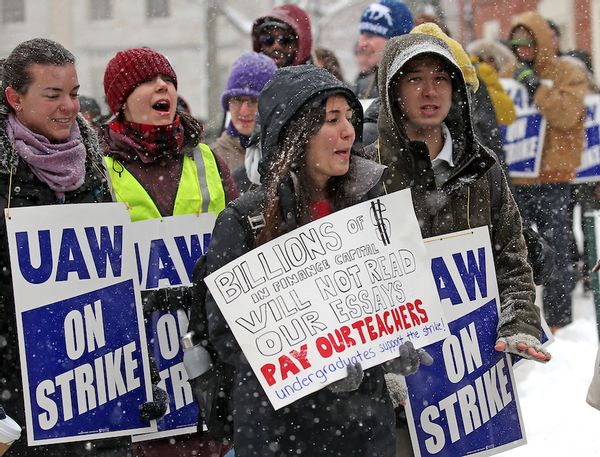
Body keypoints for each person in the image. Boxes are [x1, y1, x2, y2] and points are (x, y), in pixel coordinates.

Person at [202, 65, 430, 456]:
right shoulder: (244, 221)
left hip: (363, 431)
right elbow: (228, 336)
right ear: (296, 135)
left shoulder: (370, 210)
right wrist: (314, 370)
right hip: (282, 435)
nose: (348, 132)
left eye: (349, 119)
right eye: (332, 120)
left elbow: (383, 305)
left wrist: (395, 348)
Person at [375, 30, 551, 456]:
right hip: (397, 393)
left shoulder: (482, 166)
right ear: (392, 90)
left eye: (441, 77)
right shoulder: (366, 171)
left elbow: (511, 257)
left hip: (472, 386)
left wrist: (519, 322)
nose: (430, 90)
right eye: (414, 78)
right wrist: (381, 365)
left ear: (457, 88)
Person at [99, 47, 238, 456]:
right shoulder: (99, 166)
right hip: (139, 361)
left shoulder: (208, 158)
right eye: (147, 81)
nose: (163, 87)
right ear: (120, 100)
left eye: (169, 81)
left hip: (206, 347)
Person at [0, 38, 120, 456]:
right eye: (52, 95)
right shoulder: (5, 176)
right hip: (18, 398)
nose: (69, 106)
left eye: (72, 93)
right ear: (14, 98)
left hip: (95, 392)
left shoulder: (92, 166)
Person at [502, 11, 587, 333]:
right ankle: (520, 318)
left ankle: (559, 321)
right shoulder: (510, 72)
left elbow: (567, 114)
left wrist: (537, 88)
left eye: (528, 42)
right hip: (518, 177)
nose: (522, 49)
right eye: (516, 43)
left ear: (540, 41)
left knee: (557, 251)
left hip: (554, 178)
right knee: (517, 252)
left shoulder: (568, 72)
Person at [211, 52, 276, 191]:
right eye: (237, 100)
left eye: (254, 101)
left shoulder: (285, 154)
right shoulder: (212, 159)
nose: (244, 111)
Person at [354, 0, 414, 100]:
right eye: (362, 35)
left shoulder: (407, 86)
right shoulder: (362, 84)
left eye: (370, 36)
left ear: (395, 40)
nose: (361, 44)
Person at [251, 4, 312, 68]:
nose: (276, 46)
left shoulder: (316, 77)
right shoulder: (250, 76)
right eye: (267, 40)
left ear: (302, 45)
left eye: (285, 40)